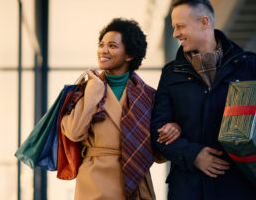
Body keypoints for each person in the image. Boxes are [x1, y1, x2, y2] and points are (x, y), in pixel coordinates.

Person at [150, 0, 256, 199]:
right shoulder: (171, 73)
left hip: (240, 189)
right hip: (190, 190)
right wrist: (193, 155)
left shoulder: (248, 64)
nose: (175, 33)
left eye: (180, 26)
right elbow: (157, 129)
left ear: (204, 22)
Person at [61, 18, 181, 200]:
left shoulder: (149, 96)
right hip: (95, 185)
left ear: (129, 55)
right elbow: (74, 132)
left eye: (112, 46)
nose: (104, 50)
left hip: (137, 184)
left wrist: (175, 129)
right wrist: (93, 95)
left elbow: (159, 154)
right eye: (101, 45)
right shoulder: (84, 91)